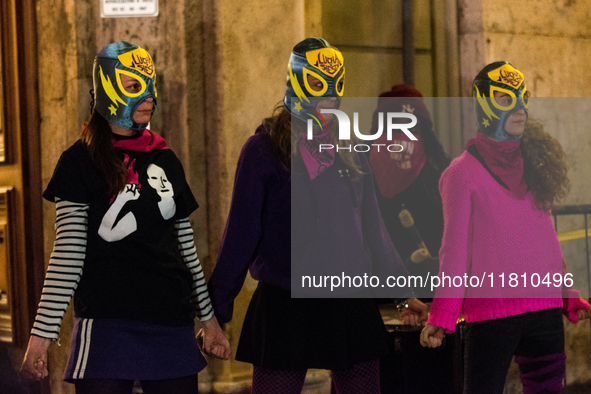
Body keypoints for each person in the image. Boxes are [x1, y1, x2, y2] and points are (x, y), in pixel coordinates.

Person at [204, 37, 428, 394]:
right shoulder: (262, 150)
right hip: (285, 299)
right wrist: (213, 311)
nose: (329, 98)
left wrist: (402, 293)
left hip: (348, 299)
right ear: (296, 82)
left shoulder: (351, 148)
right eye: (317, 85)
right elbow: (241, 235)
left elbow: (373, 229)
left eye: (335, 88)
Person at [19, 42, 230, 394]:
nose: (148, 97)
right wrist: (41, 336)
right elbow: (68, 255)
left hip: (170, 322)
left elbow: (185, 250)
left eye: (150, 86)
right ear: (107, 90)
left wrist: (209, 321)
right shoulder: (79, 161)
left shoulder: (164, 158)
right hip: (107, 323)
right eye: (135, 87)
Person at [420, 61, 591, 394]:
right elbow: (454, 253)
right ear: (482, 102)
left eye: (522, 96)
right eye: (504, 97)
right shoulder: (460, 174)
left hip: (543, 311)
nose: (518, 106)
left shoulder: (534, 165)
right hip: (491, 316)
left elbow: (547, 241)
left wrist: (566, 293)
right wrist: (442, 315)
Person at [368, 85, 451, 299]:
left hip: (426, 290)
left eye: (410, 128)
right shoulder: (443, 171)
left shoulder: (359, 170)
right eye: (393, 129)